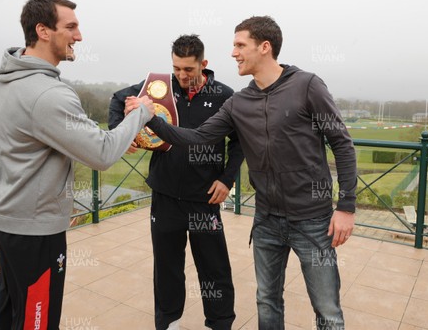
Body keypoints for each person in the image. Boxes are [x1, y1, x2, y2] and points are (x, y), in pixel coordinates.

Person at [138, 16, 357, 330]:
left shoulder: (307, 85)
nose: (233, 53)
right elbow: (198, 137)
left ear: (264, 47)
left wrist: (346, 207)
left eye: (240, 45)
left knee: (327, 309)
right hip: (266, 220)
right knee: (267, 302)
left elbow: (342, 144)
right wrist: (151, 119)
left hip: (312, 219)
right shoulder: (239, 101)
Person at [0, 0, 154, 330]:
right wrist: (140, 114)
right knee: (37, 320)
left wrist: (65, 139)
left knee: (11, 308)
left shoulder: (3, 78)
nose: (79, 36)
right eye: (71, 27)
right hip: (35, 229)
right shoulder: (49, 94)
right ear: (43, 31)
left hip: (3, 217)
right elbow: (102, 154)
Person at [109, 34, 244, 330]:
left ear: (204, 64)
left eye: (189, 70)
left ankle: (220, 323)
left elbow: (238, 142)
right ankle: (169, 323)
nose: (182, 76)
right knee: (168, 267)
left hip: (205, 198)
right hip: (165, 194)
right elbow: (119, 98)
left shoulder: (225, 95)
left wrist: (227, 179)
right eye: (177, 68)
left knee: (214, 267)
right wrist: (122, 131)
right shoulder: (160, 87)